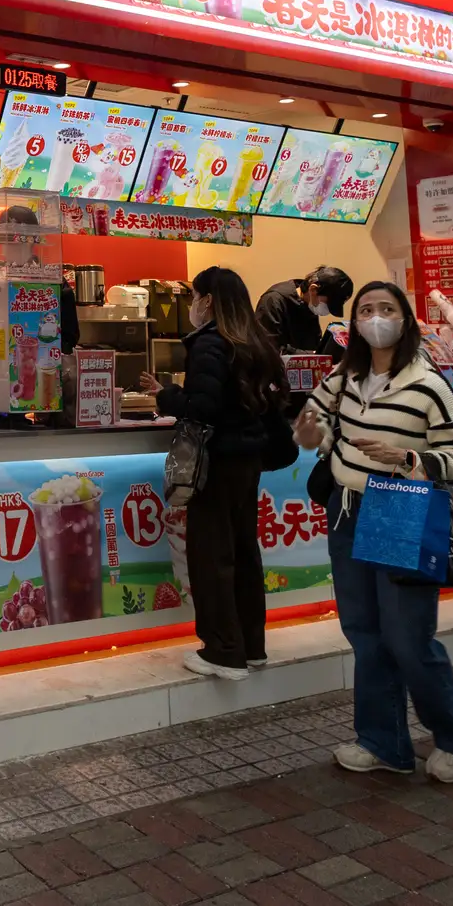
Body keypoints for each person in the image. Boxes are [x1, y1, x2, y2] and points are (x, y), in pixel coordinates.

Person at [293, 281, 453, 783]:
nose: (376, 318)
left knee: (407, 637)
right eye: (367, 311)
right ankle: (384, 743)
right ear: (354, 323)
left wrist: (409, 458)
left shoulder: (429, 384)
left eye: (387, 309)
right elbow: (312, 420)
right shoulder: (345, 375)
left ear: (406, 319)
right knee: (365, 633)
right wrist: (311, 431)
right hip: (346, 508)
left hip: (400, 509)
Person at [139, 268, 290, 682]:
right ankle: (251, 646)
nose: (192, 305)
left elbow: (203, 406)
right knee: (243, 553)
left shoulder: (209, 343)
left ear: (209, 300)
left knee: (212, 556)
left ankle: (224, 652)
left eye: (194, 297)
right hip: (248, 462)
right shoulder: (254, 340)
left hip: (217, 463)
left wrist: (167, 396)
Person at [257, 266, 353, 354]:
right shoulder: (274, 300)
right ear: (313, 289)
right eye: (328, 304)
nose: (327, 310)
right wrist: (311, 356)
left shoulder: (309, 305)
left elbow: (313, 345)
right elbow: (268, 348)